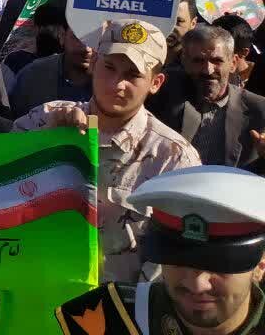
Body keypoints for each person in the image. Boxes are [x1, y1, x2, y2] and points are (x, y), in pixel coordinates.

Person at [13, 19, 202, 283]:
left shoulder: (172, 158)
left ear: (156, 82)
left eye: (133, 75)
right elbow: (0, 199)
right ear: (93, 63)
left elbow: (172, 259)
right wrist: (46, 145)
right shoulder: (42, 120)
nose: (117, 84)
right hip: (39, 290)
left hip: (118, 303)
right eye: (109, 67)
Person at [55, 166, 265, 335]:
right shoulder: (103, 317)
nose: (197, 284)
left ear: (261, 266)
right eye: (178, 260)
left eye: (220, 264)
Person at [148, 26, 265, 173]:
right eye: (198, 61)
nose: (207, 70)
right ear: (184, 61)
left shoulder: (259, 110)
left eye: (217, 61)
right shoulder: (162, 96)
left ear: (233, 63)